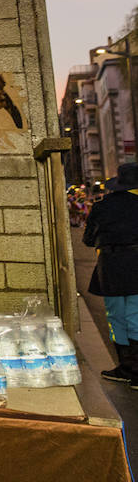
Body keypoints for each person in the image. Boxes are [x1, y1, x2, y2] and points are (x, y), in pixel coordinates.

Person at [84, 162, 138, 384]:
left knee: (116, 317)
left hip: (111, 266)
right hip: (136, 264)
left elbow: (88, 239)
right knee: (135, 316)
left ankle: (128, 367)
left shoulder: (102, 207)